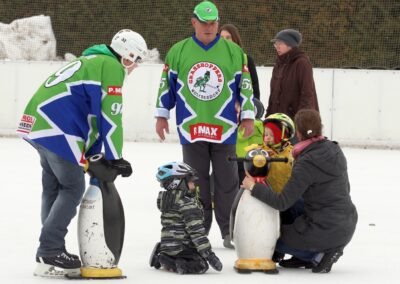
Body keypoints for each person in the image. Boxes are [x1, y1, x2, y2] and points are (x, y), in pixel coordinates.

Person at [16, 29, 147, 276]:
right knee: (72, 187)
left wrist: (97, 153)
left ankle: (48, 257)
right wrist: (116, 157)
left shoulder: (89, 60)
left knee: (54, 188)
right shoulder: (111, 66)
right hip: (58, 129)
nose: (132, 68)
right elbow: (111, 116)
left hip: (40, 124)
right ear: (126, 56)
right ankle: (50, 249)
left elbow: (93, 117)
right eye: (134, 61)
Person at [155, 0, 255, 249]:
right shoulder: (178, 51)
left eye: (213, 23)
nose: (209, 28)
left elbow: (246, 86)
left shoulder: (234, 53)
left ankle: (229, 230)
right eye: (204, 23)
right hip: (192, 128)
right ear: (194, 22)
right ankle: (198, 229)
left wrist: (249, 115)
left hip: (225, 130)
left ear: (218, 23)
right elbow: (165, 85)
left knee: (227, 183)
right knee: (195, 183)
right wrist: (161, 114)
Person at [241, 109, 358, 273]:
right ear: (320, 128)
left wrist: (253, 186)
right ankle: (306, 255)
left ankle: (317, 256)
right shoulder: (334, 150)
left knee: (273, 238)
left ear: (299, 133)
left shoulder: (305, 162)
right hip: (347, 220)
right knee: (295, 204)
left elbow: (281, 202)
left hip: (326, 229)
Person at [149, 162, 223, 274]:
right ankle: (164, 259)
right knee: (201, 265)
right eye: (191, 181)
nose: (194, 185)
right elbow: (196, 233)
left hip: (168, 243)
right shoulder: (187, 204)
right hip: (182, 247)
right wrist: (209, 255)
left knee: (195, 254)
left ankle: (163, 251)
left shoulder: (167, 200)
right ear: (177, 183)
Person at [266, 29, 319, 123]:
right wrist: (269, 116)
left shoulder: (302, 63)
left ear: (290, 44)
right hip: (277, 119)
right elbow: (273, 94)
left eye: (280, 43)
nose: (277, 47)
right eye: (276, 44)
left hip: (295, 121)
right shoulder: (278, 64)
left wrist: (301, 120)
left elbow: (307, 93)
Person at [220, 23, 260, 100]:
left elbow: (254, 86)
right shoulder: (215, 59)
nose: (224, 40)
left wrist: (255, 105)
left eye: (228, 37)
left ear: (235, 39)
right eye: (222, 38)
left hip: (240, 106)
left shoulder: (246, 59)